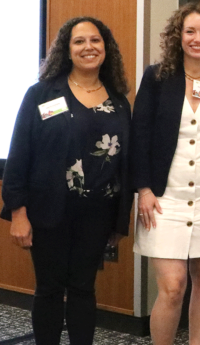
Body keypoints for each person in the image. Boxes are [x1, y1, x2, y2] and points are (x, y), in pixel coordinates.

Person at [1, 17, 132, 345]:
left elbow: (125, 164)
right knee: (49, 288)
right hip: (48, 210)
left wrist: (119, 219)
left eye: (96, 40)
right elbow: (20, 153)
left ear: (106, 48)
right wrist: (18, 211)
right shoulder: (42, 94)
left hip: (98, 214)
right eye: (79, 41)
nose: (89, 47)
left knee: (84, 288)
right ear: (67, 50)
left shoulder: (118, 101)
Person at [131, 2, 200, 345]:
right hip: (164, 198)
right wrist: (143, 188)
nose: (197, 38)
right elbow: (140, 134)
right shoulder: (158, 77)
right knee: (174, 285)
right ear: (178, 37)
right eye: (190, 31)